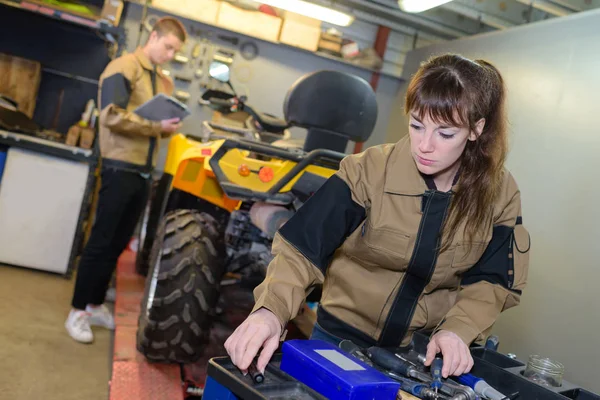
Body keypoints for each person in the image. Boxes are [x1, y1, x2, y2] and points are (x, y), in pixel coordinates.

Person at [224, 54, 531, 378]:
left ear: (475, 129)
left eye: (445, 134)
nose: (424, 145)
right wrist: (271, 311)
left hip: (423, 355)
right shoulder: (366, 172)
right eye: (416, 125)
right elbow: (303, 249)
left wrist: (459, 329)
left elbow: (492, 280)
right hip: (338, 338)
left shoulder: (500, 194)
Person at [65, 17, 187, 343]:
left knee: (118, 244)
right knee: (102, 241)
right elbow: (110, 116)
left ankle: (92, 304)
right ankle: (76, 311)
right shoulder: (124, 67)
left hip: (142, 171)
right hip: (119, 167)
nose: (171, 54)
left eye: (176, 50)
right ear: (154, 36)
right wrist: (155, 128)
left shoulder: (157, 79)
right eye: (169, 46)